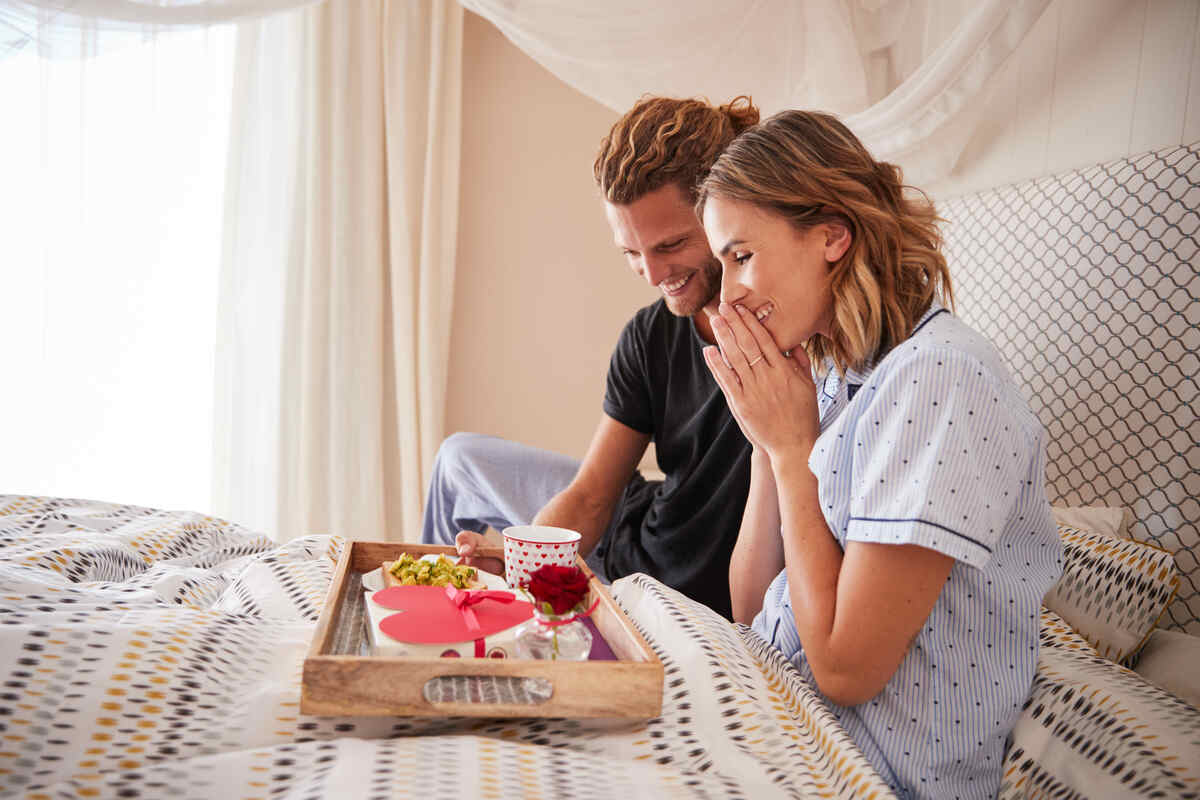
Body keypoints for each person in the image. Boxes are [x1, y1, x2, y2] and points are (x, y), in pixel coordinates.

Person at [695, 110, 1063, 798]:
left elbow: (844, 670)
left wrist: (792, 448)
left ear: (832, 234)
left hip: (863, 770)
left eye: (741, 256)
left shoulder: (943, 380)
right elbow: (748, 609)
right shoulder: (841, 374)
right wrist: (767, 434)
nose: (726, 295)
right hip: (779, 719)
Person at [422, 96, 759, 619]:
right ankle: (436, 611)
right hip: (626, 537)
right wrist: (520, 566)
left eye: (670, 245)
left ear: (725, 211)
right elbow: (592, 497)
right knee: (456, 458)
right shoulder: (649, 335)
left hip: (670, 594)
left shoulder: (784, 331)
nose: (651, 275)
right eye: (631, 253)